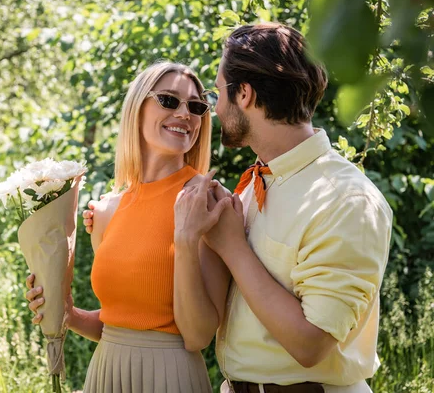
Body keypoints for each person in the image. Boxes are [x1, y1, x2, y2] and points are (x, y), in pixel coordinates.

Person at [87, 23, 393, 393]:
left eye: (214, 96)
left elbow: (310, 344)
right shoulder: (252, 187)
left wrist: (231, 246)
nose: (210, 111)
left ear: (244, 94)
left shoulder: (345, 200)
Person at [25, 61, 232, 392]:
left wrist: (186, 239)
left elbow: (198, 336)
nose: (185, 114)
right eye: (168, 100)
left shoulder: (207, 199)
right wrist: (67, 313)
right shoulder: (108, 208)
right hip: (106, 374)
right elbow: (118, 322)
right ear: (137, 108)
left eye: (196, 106)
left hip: (170, 379)